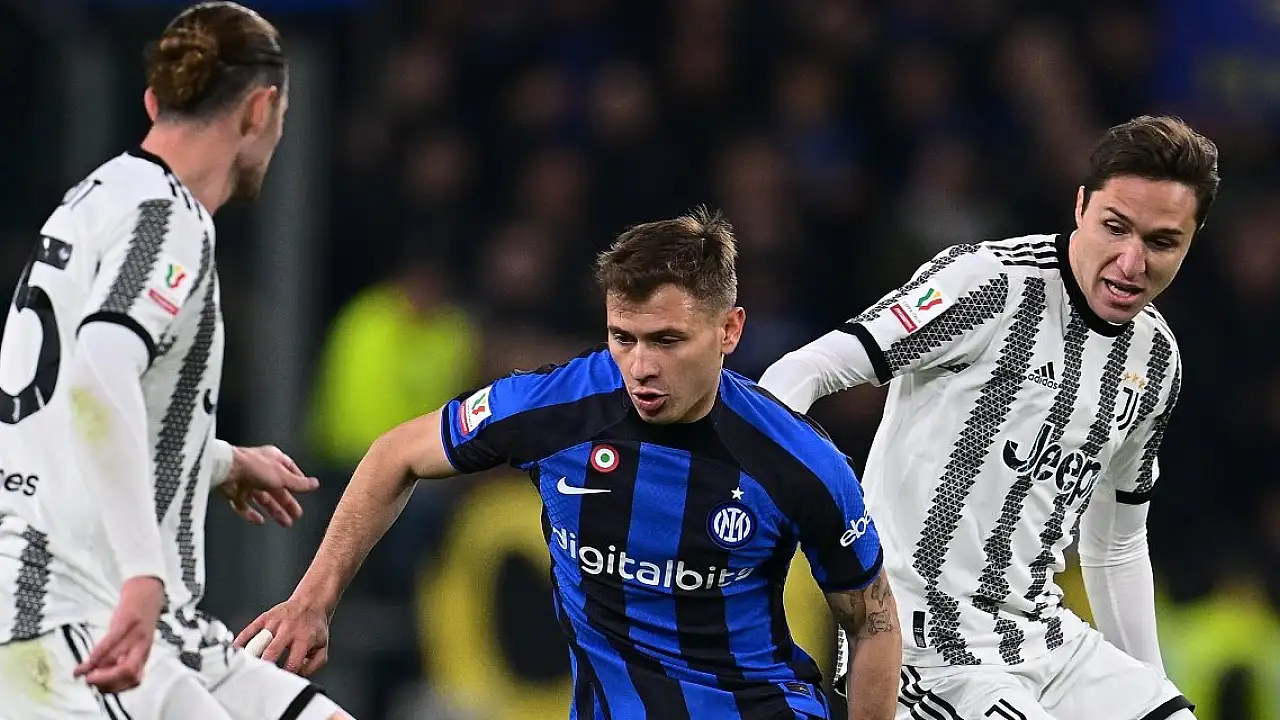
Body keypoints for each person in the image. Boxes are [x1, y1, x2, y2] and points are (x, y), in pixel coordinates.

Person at [237, 207, 902, 719]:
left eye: (667, 340)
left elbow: (872, 622)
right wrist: (312, 603)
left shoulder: (797, 459)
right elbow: (396, 454)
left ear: (729, 330)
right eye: (623, 338)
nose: (641, 366)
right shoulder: (559, 407)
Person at [758, 115, 1217, 720]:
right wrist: (773, 505)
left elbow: (1116, 542)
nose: (1131, 262)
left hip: (1047, 643)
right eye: (1115, 227)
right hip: (924, 650)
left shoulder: (1154, 359)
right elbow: (804, 370)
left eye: (1161, 242)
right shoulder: (989, 285)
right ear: (1081, 206)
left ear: (1190, 241)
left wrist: (1150, 686)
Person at [0, 3, 350, 719]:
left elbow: (65, 400)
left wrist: (214, 459)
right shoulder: (168, 218)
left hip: (159, 628)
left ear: (154, 102)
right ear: (261, 109)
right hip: (72, 618)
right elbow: (98, 373)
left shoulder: (97, 200)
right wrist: (142, 576)